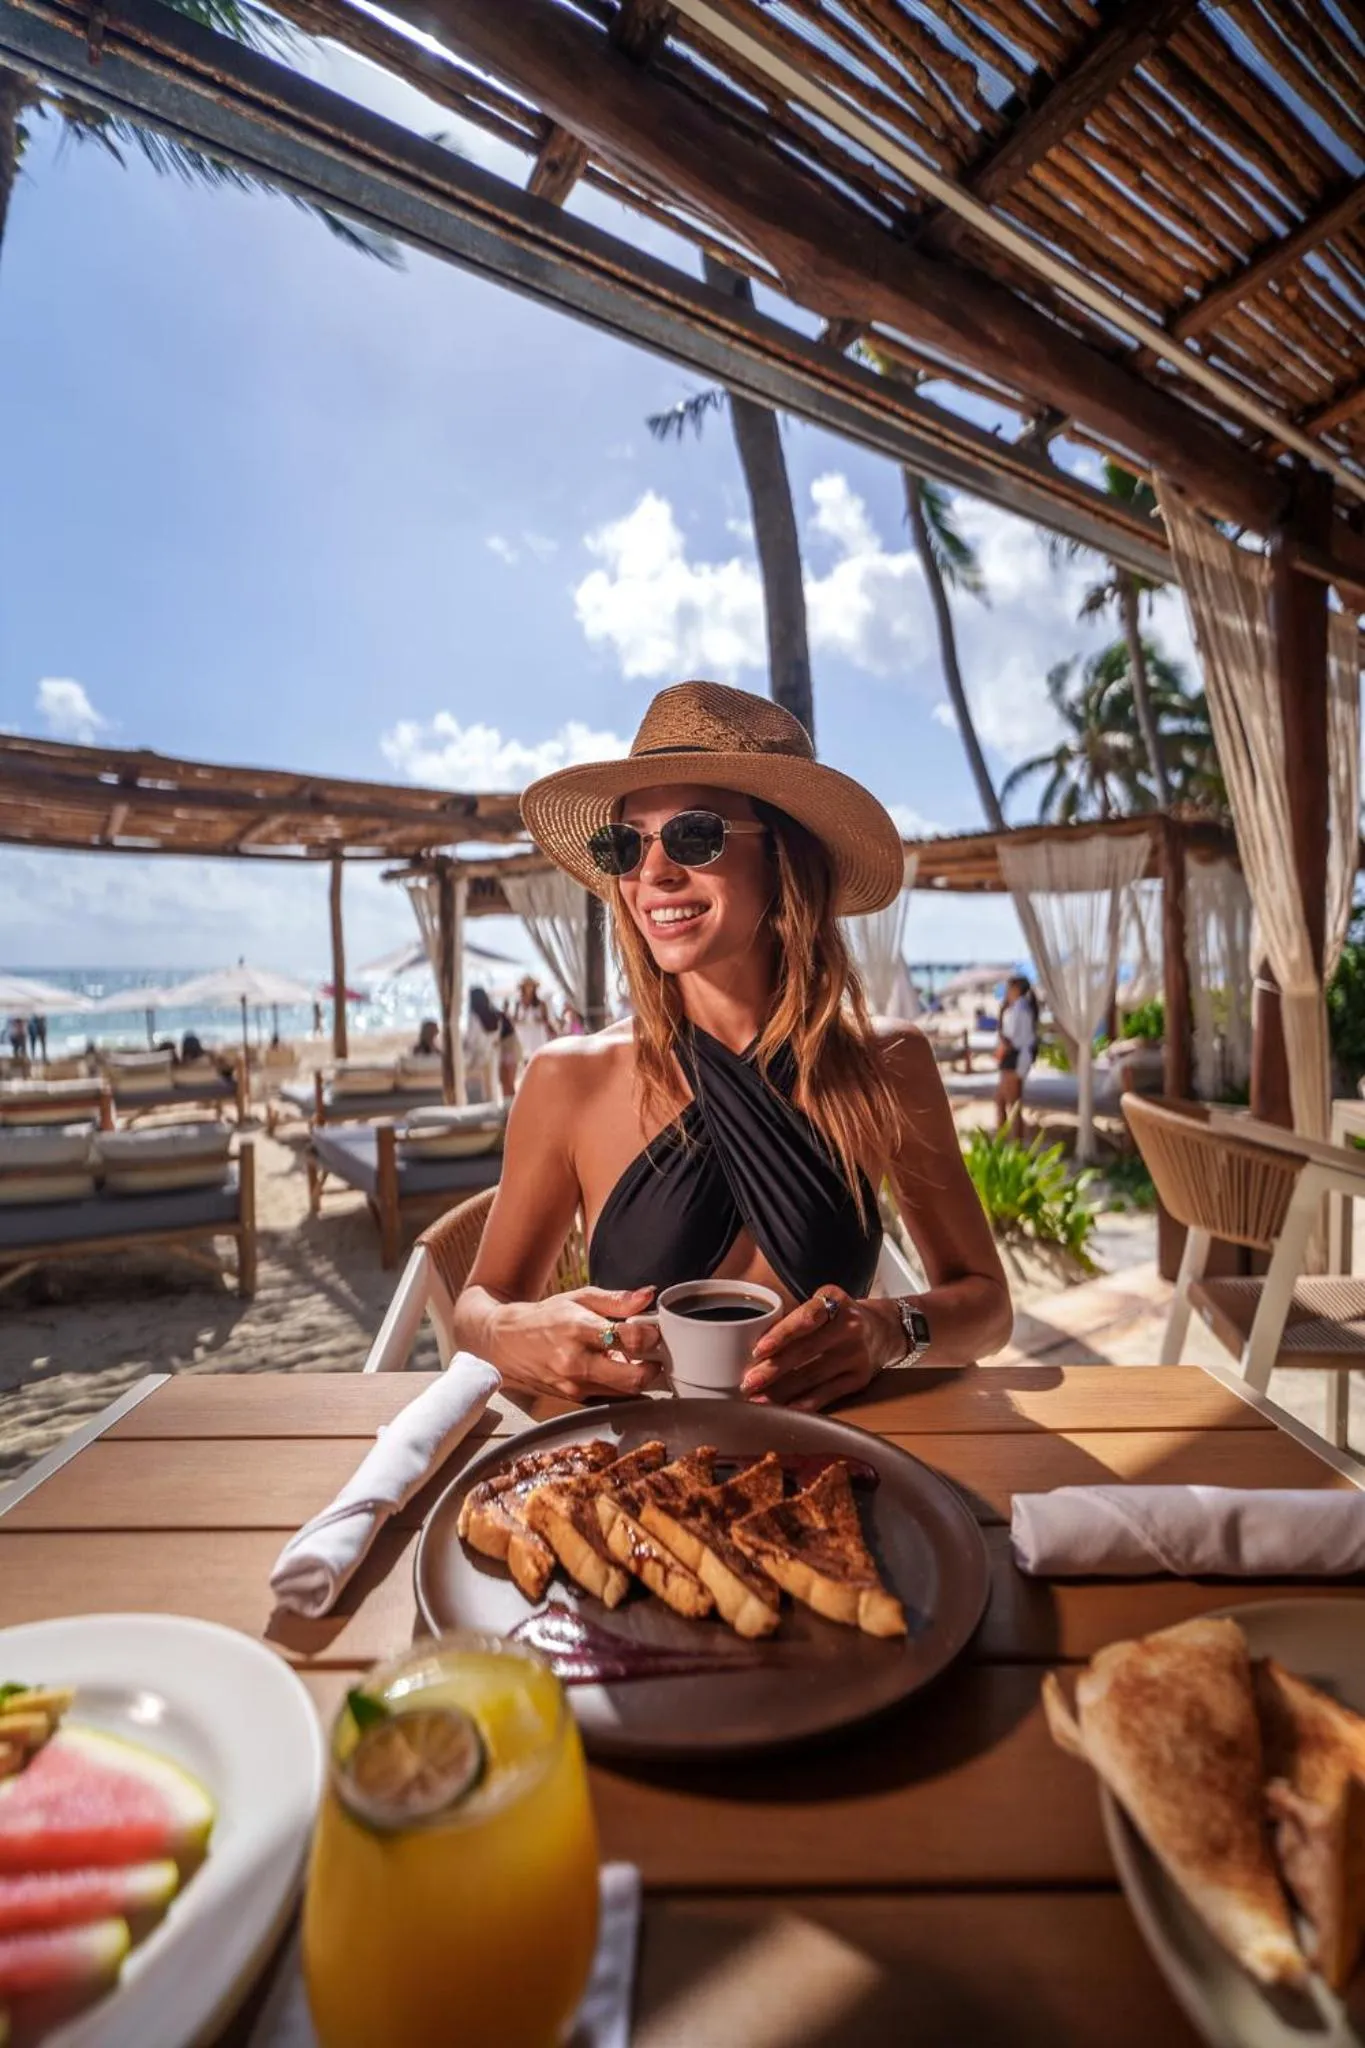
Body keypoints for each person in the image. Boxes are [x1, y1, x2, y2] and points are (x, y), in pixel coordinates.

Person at [452, 680, 1010, 1410]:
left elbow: (988, 1309)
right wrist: (514, 1331)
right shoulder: (568, 1078)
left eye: (692, 835)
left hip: (831, 1473)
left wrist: (887, 1329)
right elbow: (476, 1310)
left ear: (784, 859)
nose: (651, 873)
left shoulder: (883, 1067)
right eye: (624, 845)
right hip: (631, 1482)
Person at [995, 974, 1040, 1136]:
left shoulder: (1019, 1010)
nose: (1006, 992)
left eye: (1008, 988)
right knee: (1006, 1102)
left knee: (1011, 1104)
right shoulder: (1021, 1008)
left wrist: (1000, 1051)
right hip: (1017, 1057)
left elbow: (1009, 1038)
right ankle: (1011, 1142)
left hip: (1014, 1058)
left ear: (1016, 989)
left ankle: (1013, 1144)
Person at [465, 987, 518, 1104]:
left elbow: (471, 1038)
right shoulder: (496, 1015)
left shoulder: (474, 1017)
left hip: (482, 1055)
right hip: (495, 1052)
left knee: (485, 1086)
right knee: (500, 1084)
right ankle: (506, 1111)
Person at [513, 976, 556, 1064]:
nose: (529, 988)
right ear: (523, 988)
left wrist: (539, 1020)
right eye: (527, 986)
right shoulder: (518, 1003)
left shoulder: (541, 1003)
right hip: (523, 1033)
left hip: (537, 1033)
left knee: (537, 1057)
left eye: (531, 986)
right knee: (524, 1058)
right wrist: (521, 1020)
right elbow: (514, 1019)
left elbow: (546, 1020)